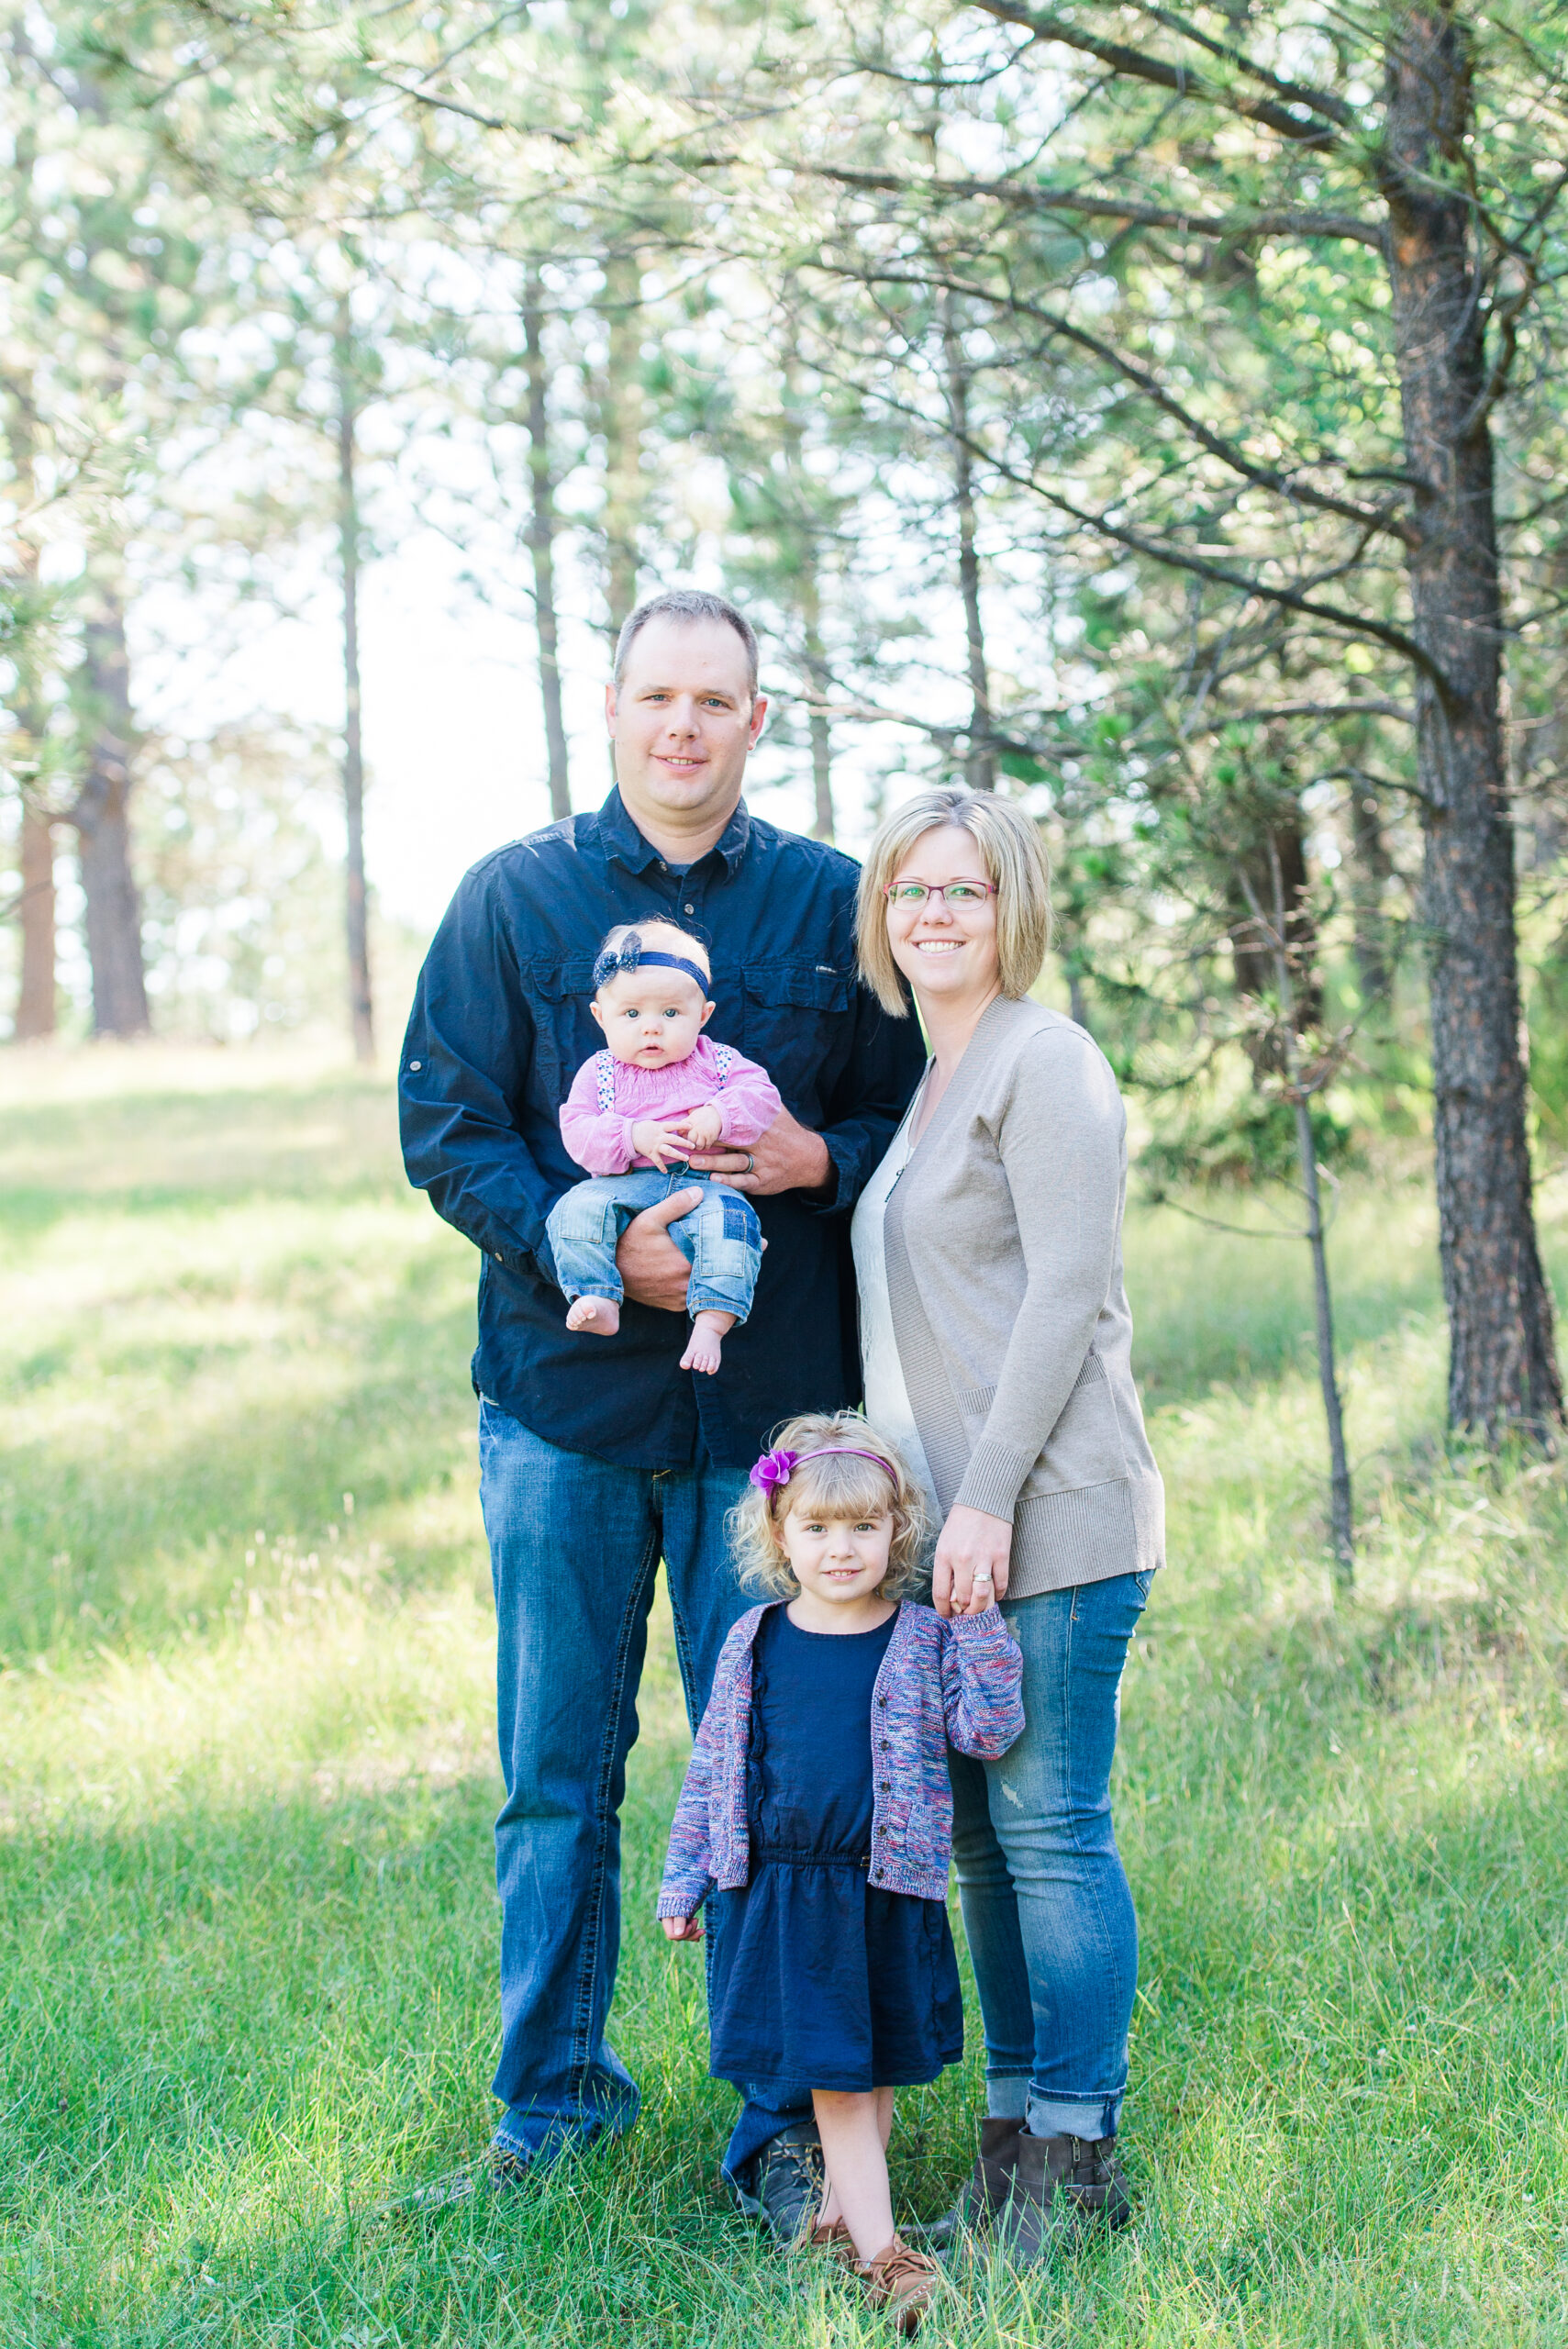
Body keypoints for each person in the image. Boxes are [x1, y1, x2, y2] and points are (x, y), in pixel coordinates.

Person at [398, 589, 926, 2226]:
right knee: (556, 1775)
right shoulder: (513, 899)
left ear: (755, 720)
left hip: (766, 1436)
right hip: (558, 1410)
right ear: (610, 708)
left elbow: (911, 1104)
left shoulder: (831, 904)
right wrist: (601, 1247)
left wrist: (816, 1159)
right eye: (656, 698)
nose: (683, 727)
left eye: (716, 700)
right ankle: (546, 2110)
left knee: (773, 1773)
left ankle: (773, 2132)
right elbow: (446, 1124)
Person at [849, 785, 1165, 2260]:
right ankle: (1012, 2140)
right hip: (952, 1537)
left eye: (962, 891)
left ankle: (1080, 2158)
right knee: (980, 1846)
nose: (935, 916)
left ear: (1011, 907)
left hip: (1050, 1518)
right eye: (912, 892)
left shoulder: (1047, 1062)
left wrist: (979, 1502)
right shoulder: (931, 1072)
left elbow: (1065, 1292)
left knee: (1049, 1834)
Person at [658, 1413, 1023, 2332]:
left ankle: (829, 2222)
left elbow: (986, 1730)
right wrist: (683, 1879)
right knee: (838, 2080)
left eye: (862, 1527)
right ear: (778, 1534)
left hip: (885, 1886)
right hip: (786, 1892)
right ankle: (886, 2254)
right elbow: (714, 1766)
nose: (840, 1548)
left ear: (896, 1530)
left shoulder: (917, 1634)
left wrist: (976, 1626)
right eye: (816, 1529)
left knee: (875, 2064)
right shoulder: (752, 1638)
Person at [549, 918, 782, 1375]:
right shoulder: (599, 1074)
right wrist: (631, 1134)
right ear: (600, 1016)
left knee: (733, 1225)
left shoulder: (717, 1062)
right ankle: (597, 1292)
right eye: (632, 1014)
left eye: (671, 1014)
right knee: (574, 1209)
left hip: (704, 1183)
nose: (651, 1029)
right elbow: (577, 1132)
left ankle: (713, 1321)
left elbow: (762, 1097)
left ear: (703, 1015)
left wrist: (720, 1117)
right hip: (626, 1184)